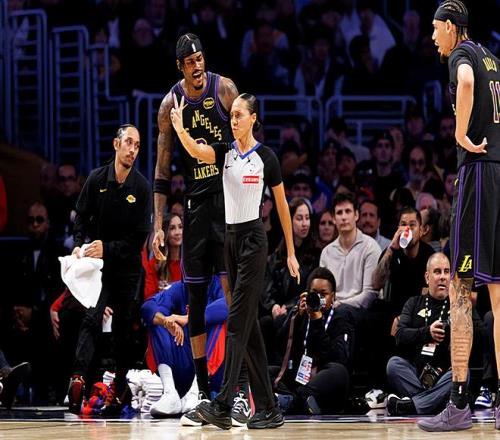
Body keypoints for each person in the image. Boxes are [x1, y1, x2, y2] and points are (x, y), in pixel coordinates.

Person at [170, 92, 300, 429]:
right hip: (229, 239)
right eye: (232, 116)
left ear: (253, 118)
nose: (234, 120)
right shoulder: (226, 152)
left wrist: (290, 251)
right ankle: (269, 408)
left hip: (253, 241)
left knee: (237, 322)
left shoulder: (266, 158)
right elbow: (197, 151)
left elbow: (282, 206)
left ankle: (223, 403)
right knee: (249, 327)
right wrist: (180, 128)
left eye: (240, 115)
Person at [418, 0, 500, 432]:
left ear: (452, 27)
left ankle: (459, 402)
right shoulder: (493, 58)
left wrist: (461, 133)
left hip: (479, 173)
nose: (433, 38)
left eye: (436, 29)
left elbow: (465, 82)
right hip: (499, 171)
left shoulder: (462, 56)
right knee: (499, 297)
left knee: (460, 289)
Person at [151, 33, 239, 426]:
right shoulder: (170, 104)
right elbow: (161, 170)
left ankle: (237, 391)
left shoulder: (225, 90)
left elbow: (247, 146)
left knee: (235, 298)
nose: (197, 66)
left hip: (229, 204)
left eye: (200, 58)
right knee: (197, 302)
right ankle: (203, 394)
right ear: (180, 66)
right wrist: (157, 224)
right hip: (196, 209)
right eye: (190, 62)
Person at [67, 124, 152, 415]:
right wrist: (79, 245)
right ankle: (78, 378)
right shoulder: (96, 178)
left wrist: (108, 247)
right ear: (116, 144)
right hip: (98, 267)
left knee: (123, 329)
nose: (133, 149)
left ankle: (119, 387)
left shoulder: (141, 187)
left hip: (127, 268)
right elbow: (81, 217)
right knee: (91, 318)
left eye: (137, 145)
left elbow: (138, 239)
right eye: (128, 142)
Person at [141, 277, 228, 418]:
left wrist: (189, 318)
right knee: (158, 322)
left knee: (219, 322)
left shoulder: (217, 284)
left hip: (213, 373)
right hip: (185, 361)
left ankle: (198, 390)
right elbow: (148, 306)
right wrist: (167, 322)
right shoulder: (181, 287)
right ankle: (170, 393)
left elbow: (229, 304)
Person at [272, 267, 354, 415]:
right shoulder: (300, 313)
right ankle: (295, 401)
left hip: (322, 382)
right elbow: (280, 346)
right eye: (314, 293)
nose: (318, 298)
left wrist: (317, 322)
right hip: (299, 377)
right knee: (266, 371)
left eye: (324, 294)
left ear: (333, 297)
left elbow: (339, 357)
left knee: (338, 371)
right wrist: (297, 317)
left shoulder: (341, 317)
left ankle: (290, 401)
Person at [386, 253, 452, 416]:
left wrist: (457, 327)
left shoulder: (459, 306)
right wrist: (427, 332)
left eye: (446, 271)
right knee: (393, 365)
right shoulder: (414, 303)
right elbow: (400, 335)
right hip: (416, 373)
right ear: (427, 277)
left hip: (444, 373)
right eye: (437, 271)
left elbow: (479, 334)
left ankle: (412, 406)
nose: (443, 277)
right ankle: (433, 402)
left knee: (462, 373)